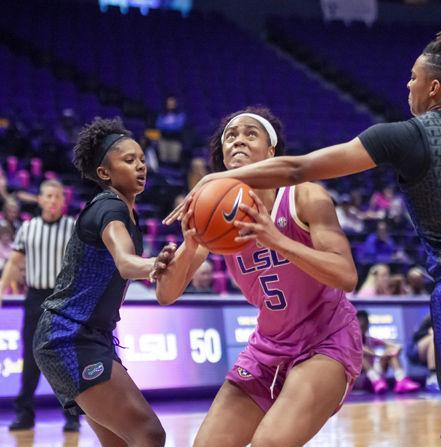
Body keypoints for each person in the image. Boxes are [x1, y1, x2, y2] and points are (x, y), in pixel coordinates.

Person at [167, 26, 441, 446]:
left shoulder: (406, 135)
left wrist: (218, 177)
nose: (408, 84)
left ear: (434, 87)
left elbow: (298, 168)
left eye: (414, 78)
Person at [156, 107, 363, 447]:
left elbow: (346, 275)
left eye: (250, 134)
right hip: (268, 346)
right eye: (230, 136)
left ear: (271, 152)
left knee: (271, 443)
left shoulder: (304, 195)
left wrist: (276, 239)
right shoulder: (214, 210)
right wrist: (192, 241)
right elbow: (166, 294)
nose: (238, 140)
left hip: (326, 339)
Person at [32, 118, 171, 446]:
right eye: (128, 160)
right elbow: (125, 262)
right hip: (67, 337)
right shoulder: (109, 208)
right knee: (149, 433)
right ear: (104, 173)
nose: (140, 166)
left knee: (121, 442)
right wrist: (153, 263)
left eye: (140, 158)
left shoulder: (124, 211)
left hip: (87, 336)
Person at [0, 180, 78, 432]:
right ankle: (25, 415)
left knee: (65, 358)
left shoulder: (72, 227)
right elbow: (13, 263)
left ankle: (72, 417)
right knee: (31, 357)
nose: (52, 200)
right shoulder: (28, 228)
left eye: (57, 196)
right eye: (48, 196)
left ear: (62, 201)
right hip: (34, 298)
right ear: (40, 200)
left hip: (62, 298)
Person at [356, 310, 421, 394]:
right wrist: (379, 355)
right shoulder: (351, 340)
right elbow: (362, 350)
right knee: (361, 356)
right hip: (360, 379)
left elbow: (395, 345)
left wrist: (396, 350)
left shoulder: (370, 339)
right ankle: (375, 380)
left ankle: (401, 380)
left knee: (391, 351)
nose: (363, 325)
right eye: (360, 323)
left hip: (377, 380)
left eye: (365, 323)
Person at [408, 314, 438, 392]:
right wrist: (429, 332)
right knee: (434, 336)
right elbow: (416, 336)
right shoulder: (431, 317)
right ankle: (432, 377)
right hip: (416, 351)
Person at [156, 95, 186, 164]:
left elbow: (178, 127)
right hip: (163, 140)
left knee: (174, 161)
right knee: (163, 160)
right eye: (169, 103)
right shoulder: (162, 114)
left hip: (175, 140)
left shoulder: (180, 115)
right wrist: (171, 126)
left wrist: (166, 126)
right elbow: (159, 126)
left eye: (172, 103)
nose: (171, 104)